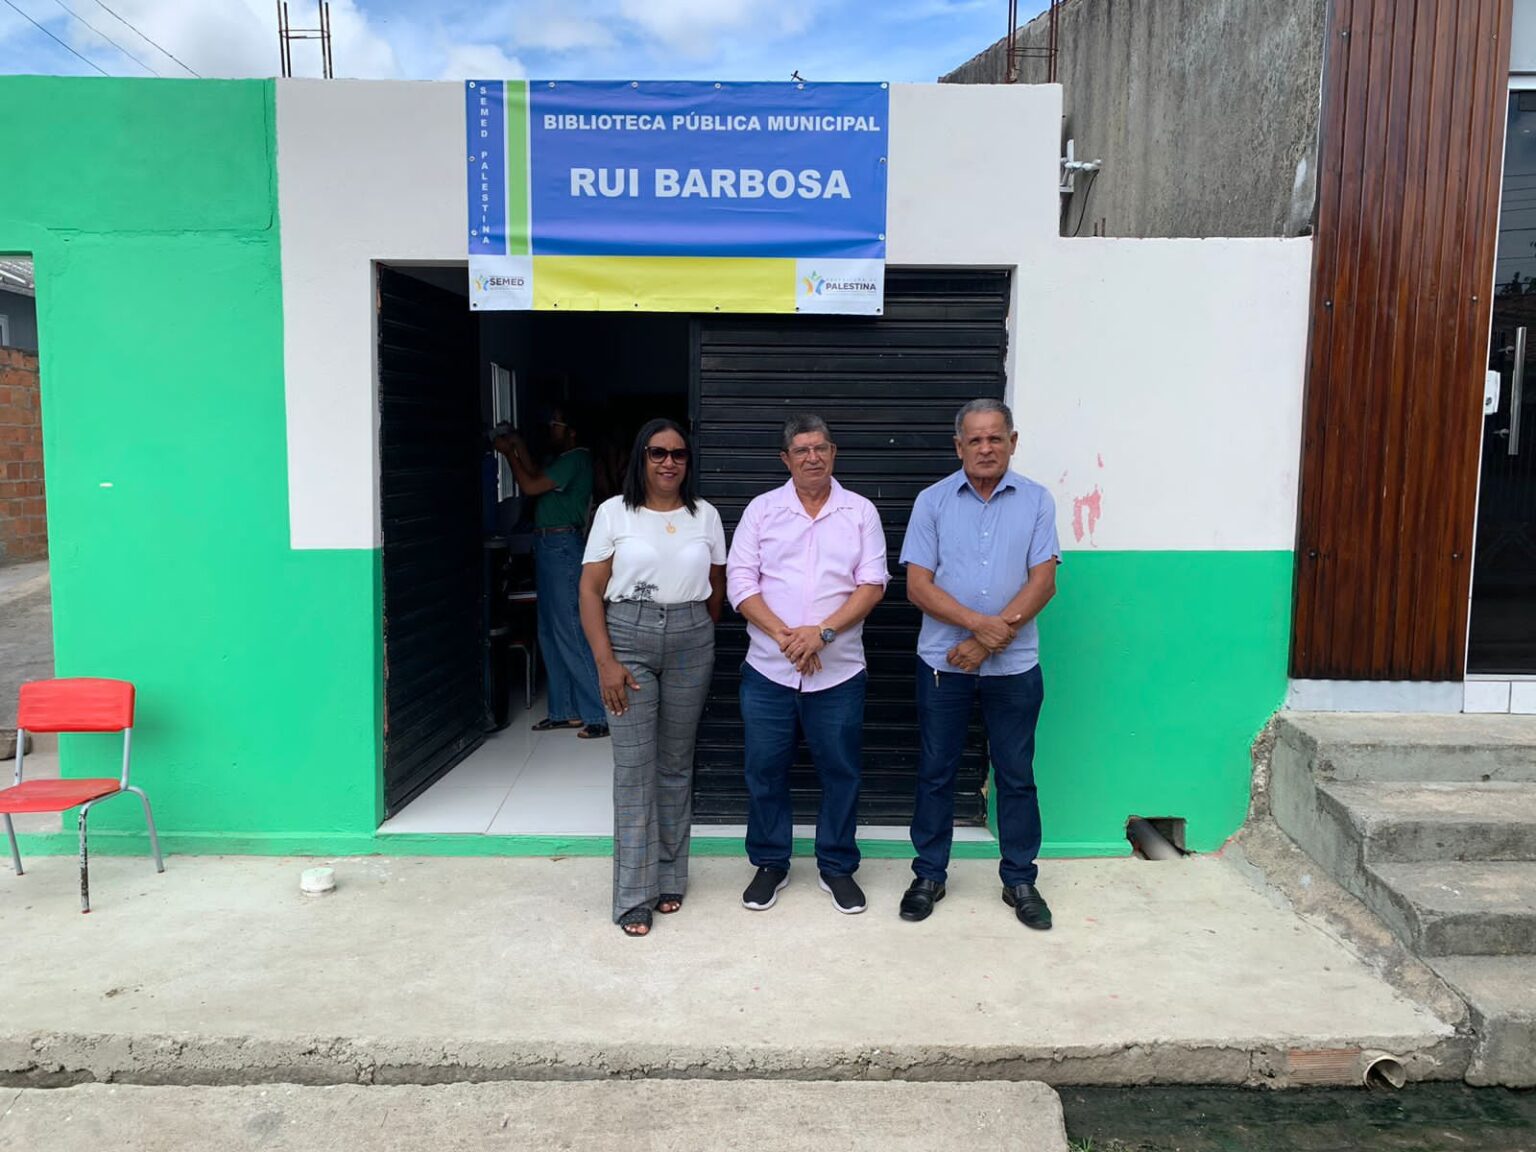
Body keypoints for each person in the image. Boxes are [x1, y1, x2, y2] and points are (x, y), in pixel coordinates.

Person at [898, 398, 1060, 929]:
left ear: (1013, 441)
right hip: (944, 663)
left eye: (996, 438)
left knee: (1015, 774)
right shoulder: (932, 501)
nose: (986, 448)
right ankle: (929, 874)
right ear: (958, 446)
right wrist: (978, 625)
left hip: (1013, 668)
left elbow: (1043, 582)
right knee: (936, 771)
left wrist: (989, 641)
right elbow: (918, 586)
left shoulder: (1037, 500)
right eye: (975, 439)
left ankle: (1020, 878)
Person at [726, 415, 889, 916]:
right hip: (769, 670)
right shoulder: (761, 511)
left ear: (833, 453)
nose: (812, 457)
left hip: (837, 670)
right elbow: (739, 582)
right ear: (786, 459)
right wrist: (787, 637)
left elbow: (873, 584)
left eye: (820, 448)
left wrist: (821, 634)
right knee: (765, 770)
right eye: (801, 450)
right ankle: (771, 862)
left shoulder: (859, 512)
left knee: (840, 771)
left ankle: (837, 865)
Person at [579, 419, 726, 938]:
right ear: (641, 458)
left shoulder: (704, 515)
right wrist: (606, 661)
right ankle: (632, 895)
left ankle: (669, 878)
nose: (669, 463)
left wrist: (693, 631)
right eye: (658, 453)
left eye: (679, 455)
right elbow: (590, 591)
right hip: (628, 637)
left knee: (674, 765)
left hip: (691, 637)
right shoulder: (613, 513)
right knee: (634, 767)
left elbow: (716, 585)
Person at [496, 408, 607, 739]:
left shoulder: (575, 458)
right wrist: (518, 447)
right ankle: (564, 711)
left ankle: (598, 713)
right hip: (548, 546)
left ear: (571, 431)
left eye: (554, 424)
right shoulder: (564, 460)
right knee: (548, 630)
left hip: (562, 546)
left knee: (571, 629)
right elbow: (535, 473)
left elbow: (530, 485)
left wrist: (508, 454)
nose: (549, 429)